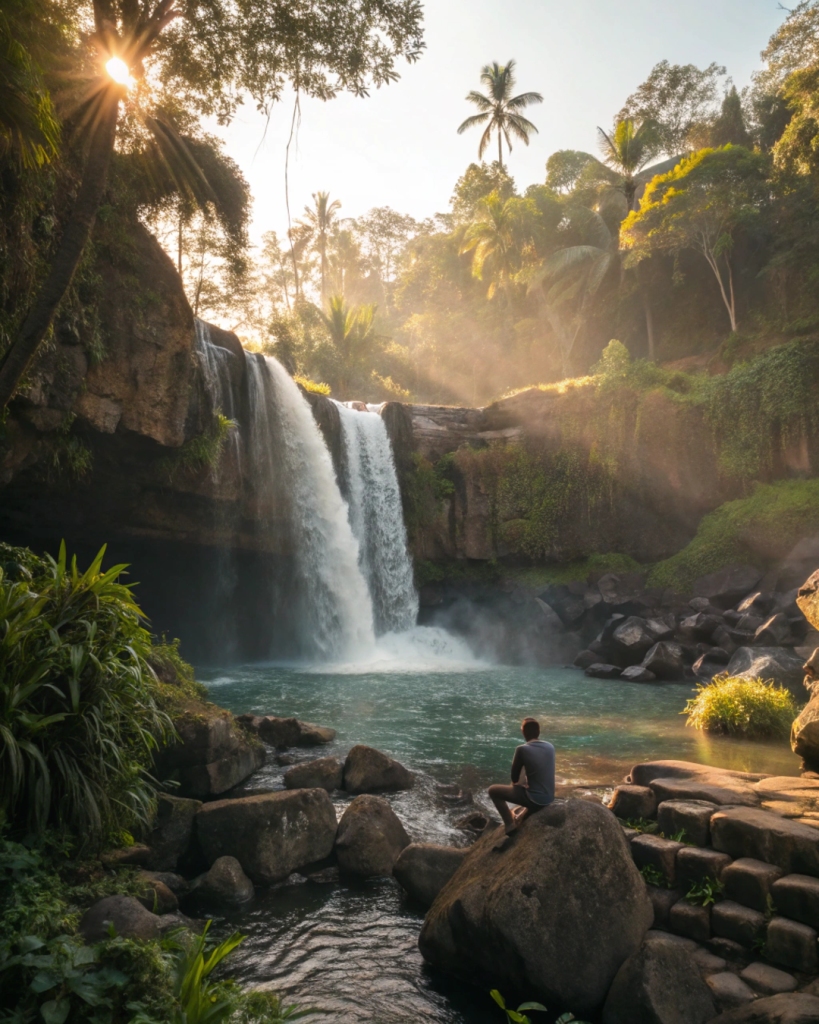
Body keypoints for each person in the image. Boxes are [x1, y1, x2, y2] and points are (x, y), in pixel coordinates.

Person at [488, 717, 555, 834]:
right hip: (549, 798)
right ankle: (524, 813)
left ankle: (509, 825)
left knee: (493, 790)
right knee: (534, 780)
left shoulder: (522, 749)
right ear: (539, 732)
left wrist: (520, 785)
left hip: (535, 800)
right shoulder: (550, 747)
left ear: (523, 732)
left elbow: (514, 778)